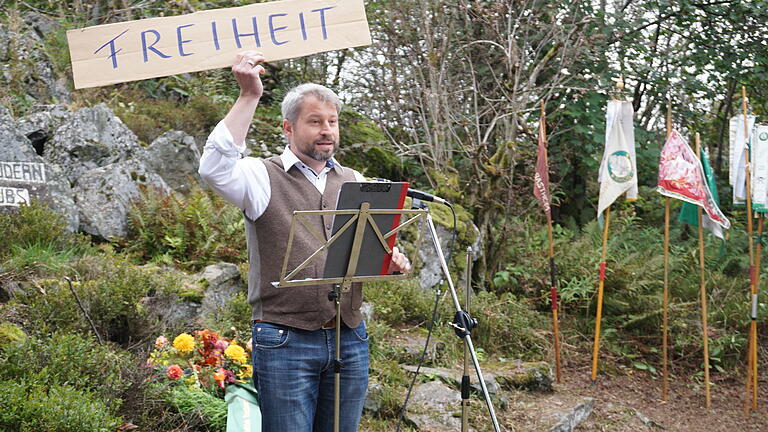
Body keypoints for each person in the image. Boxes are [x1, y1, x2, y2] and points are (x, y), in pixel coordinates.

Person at [198, 50, 410, 432]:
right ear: (287, 128)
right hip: (284, 339)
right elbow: (214, 168)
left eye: (332, 121)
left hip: (350, 336)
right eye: (315, 121)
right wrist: (248, 96)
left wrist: (391, 259)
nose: (327, 129)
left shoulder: (354, 178)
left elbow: (371, 245)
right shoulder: (261, 176)